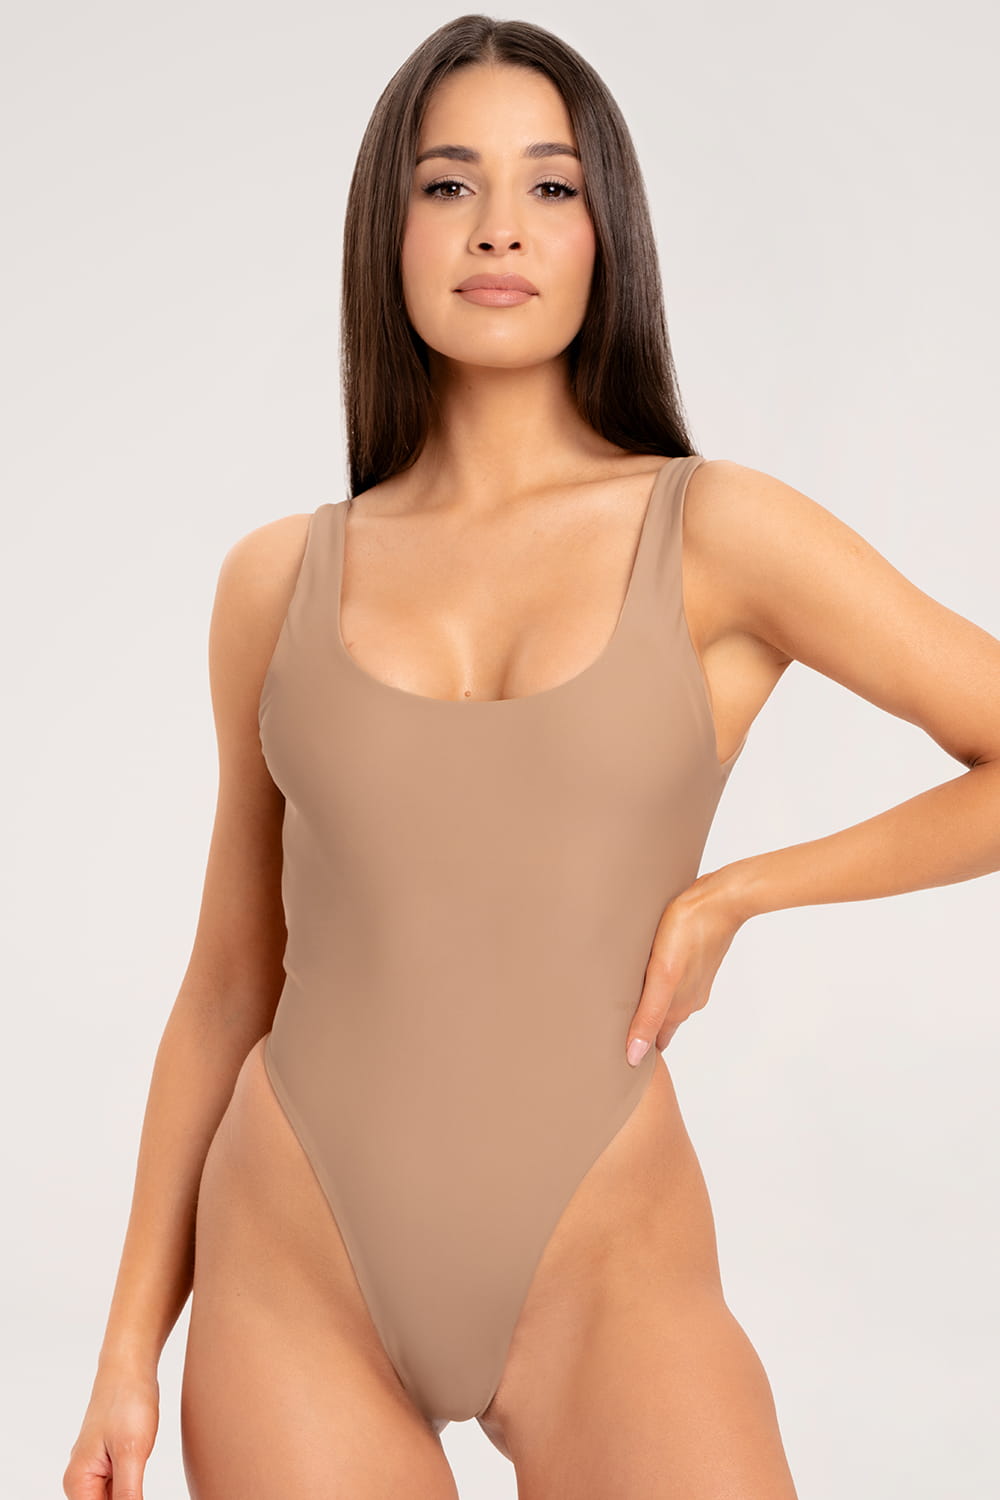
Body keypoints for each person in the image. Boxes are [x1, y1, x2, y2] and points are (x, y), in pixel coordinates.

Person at [63, 14, 1000, 1500]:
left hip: (609, 1262)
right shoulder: (274, 584)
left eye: (551, 186)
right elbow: (231, 982)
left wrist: (741, 893)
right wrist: (127, 1349)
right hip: (293, 1268)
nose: (498, 226)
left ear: (604, 231)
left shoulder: (717, 533)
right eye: (448, 184)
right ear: (387, 231)